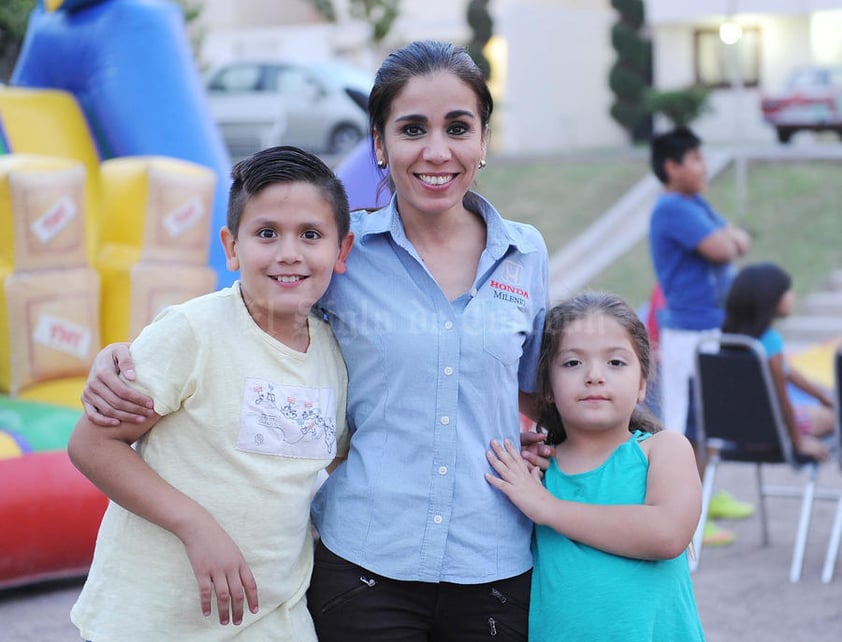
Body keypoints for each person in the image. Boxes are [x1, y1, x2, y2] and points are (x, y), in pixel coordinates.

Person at [80, 41, 551, 641]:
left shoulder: (525, 254)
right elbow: (248, 309)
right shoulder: (341, 257)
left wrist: (546, 439)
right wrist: (118, 357)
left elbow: (531, 392)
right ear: (379, 144)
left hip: (494, 563)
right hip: (367, 566)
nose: (437, 151)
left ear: (483, 138)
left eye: (458, 128)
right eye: (412, 129)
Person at [68, 146, 354, 641]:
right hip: (151, 621)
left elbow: (332, 460)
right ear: (232, 246)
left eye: (310, 234)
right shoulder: (192, 331)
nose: (289, 252)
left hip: (273, 619)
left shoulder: (335, 352)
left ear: (341, 250)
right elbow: (91, 445)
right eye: (267, 233)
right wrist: (195, 524)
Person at [486, 292, 705, 641]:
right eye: (572, 363)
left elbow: (667, 534)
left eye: (616, 363)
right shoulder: (536, 471)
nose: (594, 376)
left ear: (642, 383)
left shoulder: (664, 449)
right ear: (547, 388)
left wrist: (548, 508)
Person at [648, 125, 753, 545]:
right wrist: (728, 238)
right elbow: (726, 248)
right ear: (672, 167)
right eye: (695, 159)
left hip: (712, 328)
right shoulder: (672, 208)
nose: (703, 166)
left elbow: (738, 239)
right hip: (687, 333)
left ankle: (706, 496)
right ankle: (687, 513)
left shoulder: (696, 202)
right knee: (686, 424)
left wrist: (729, 237)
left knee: (711, 420)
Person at [722, 262, 834, 460]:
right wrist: (798, 442)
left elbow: (788, 372)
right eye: (786, 291)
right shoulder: (770, 342)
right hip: (772, 434)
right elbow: (783, 401)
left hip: (737, 433)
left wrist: (824, 398)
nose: (792, 296)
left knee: (826, 407)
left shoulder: (730, 339)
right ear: (769, 299)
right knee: (835, 418)